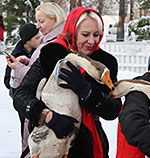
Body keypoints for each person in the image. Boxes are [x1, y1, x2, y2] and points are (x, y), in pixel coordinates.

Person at [13, 7, 122, 158]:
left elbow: (113, 110)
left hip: (87, 147)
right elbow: (21, 94)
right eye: (85, 34)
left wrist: (87, 91)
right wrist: (47, 116)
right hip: (48, 142)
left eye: (96, 35)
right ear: (72, 30)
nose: (92, 41)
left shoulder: (104, 63)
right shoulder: (52, 53)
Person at [6, 2, 66, 157]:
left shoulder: (54, 44)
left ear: (55, 19)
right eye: (37, 21)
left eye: (41, 21)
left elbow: (45, 79)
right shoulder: (49, 39)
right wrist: (27, 62)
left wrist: (18, 68)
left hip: (45, 112)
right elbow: (39, 69)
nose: (37, 26)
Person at [3, 23, 40, 153]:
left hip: (37, 97)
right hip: (23, 99)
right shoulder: (17, 55)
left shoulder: (39, 51)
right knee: (26, 130)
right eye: (36, 38)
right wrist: (20, 76)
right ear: (27, 41)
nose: (39, 40)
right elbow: (7, 81)